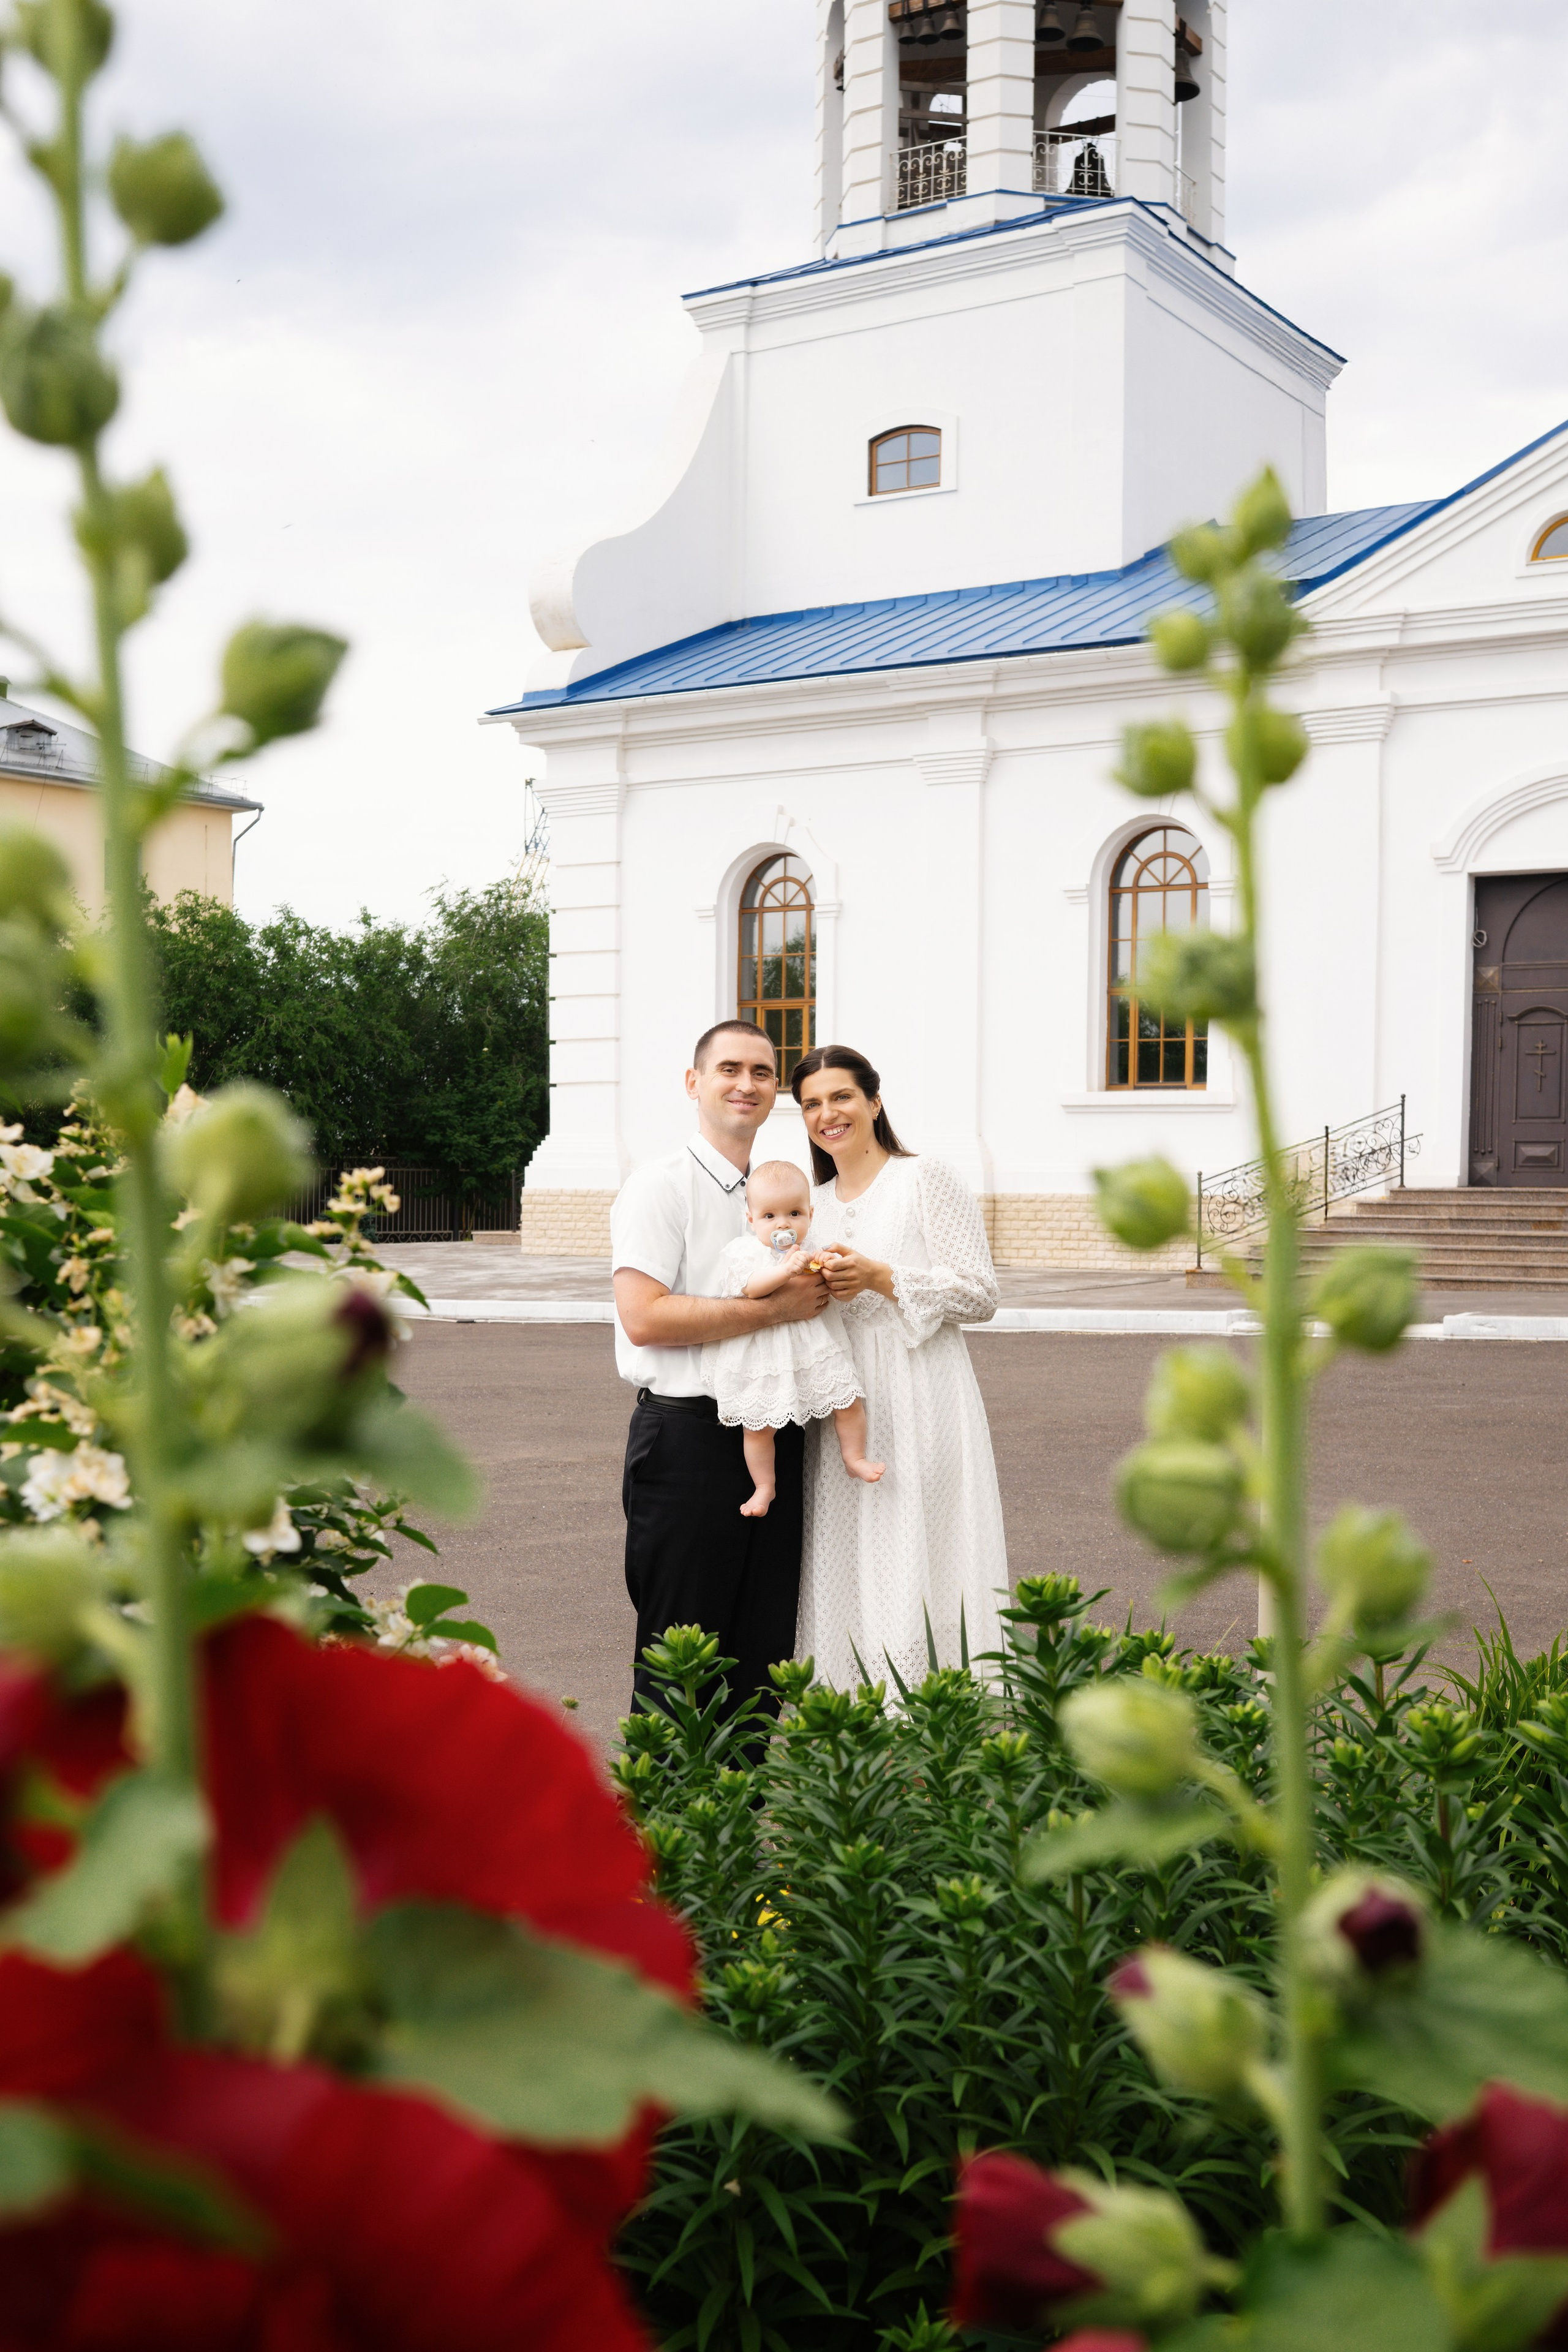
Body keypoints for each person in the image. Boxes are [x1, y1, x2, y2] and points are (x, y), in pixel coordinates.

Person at [611, 1022, 830, 1714]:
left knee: (761, 1662)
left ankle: (736, 1821)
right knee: (682, 1664)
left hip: (775, 1434)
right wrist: (773, 1310)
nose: (746, 1084)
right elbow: (644, 1316)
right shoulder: (660, 1188)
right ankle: (668, 1822)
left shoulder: (780, 1194)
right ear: (693, 1083)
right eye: (729, 1069)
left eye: (762, 1073)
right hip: (688, 1446)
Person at [790, 1044, 1008, 1693]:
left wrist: (884, 1278)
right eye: (811, 1104)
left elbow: (981, 1294)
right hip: (841, 1410)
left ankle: (933, 1720)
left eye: (841, 1097)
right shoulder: (810, 1207)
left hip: (922, 1399)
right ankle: (852, 1722)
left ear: (874, 1102)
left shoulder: (923, 1179)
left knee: (921, 1553)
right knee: (846, 1557)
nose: (828, 1114)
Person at [708, 1158, 885, 1518]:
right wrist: (784, 1271)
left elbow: (830, 1287)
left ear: (810, 1214)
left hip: (813, 1348)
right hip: (767, 1355)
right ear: (751, 1219)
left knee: (848, 1401)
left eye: (794, 1213)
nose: (783, 1224)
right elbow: (751, 1289)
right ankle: (764, 1487)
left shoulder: (811, 1248)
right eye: (770, 1216)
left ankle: (854, 1457)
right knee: (759, 1428)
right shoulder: (746, 1252)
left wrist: (826, 1265)